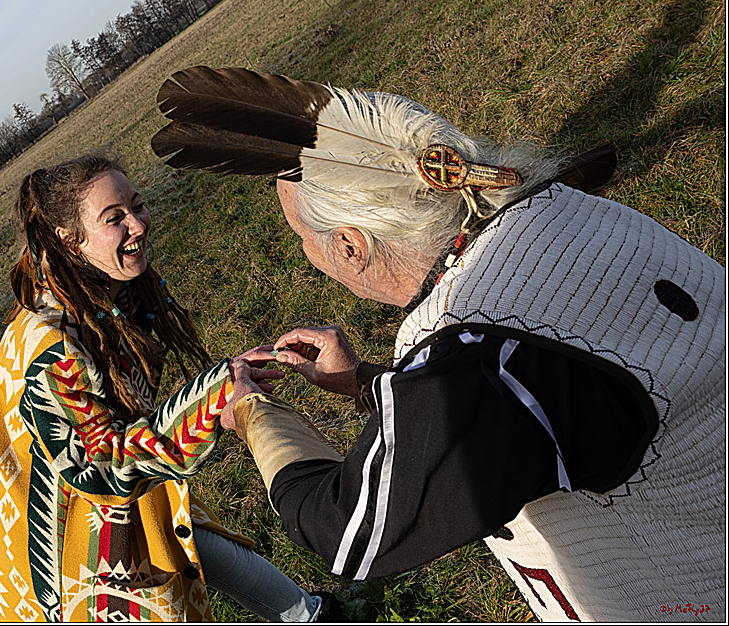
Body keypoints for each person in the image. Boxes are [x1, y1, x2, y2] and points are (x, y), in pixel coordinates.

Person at [150, 66, 726, 622]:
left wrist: (256, 416)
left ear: (350, 246)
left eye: (302, 236)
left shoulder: (482, 347)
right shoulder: (567, 212)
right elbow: (540, 400)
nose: (305, 252)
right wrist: (366, 382)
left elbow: (347, 532)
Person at [0, 154, 335, 622]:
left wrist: (229, 378)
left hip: (123, 502)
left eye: (137, 205)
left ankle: (313, 614)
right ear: (70, 240)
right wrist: (213, 399)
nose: (138, 224)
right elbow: (102, 466)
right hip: (67, 541)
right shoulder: (53, 347)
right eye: (115, 218)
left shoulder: (102, 291)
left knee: (195, 541)